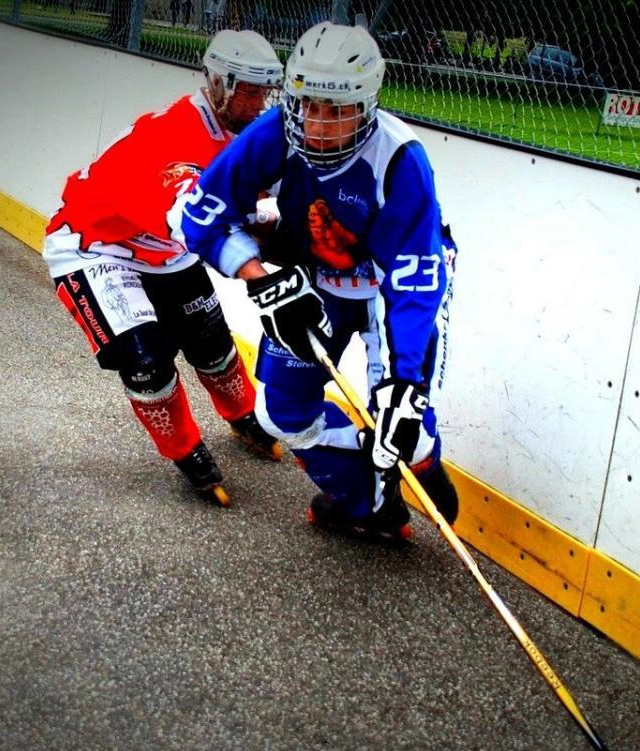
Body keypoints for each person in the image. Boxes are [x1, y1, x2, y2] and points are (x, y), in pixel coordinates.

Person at [179, 22, 460, 538]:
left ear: (367, 106)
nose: (318, 124)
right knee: (281, 416)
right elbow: (197, 214)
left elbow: (414, 282)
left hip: (387, 286)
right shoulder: (274, 135)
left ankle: (420, 459)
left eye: (338, 111)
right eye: (308, 104)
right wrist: (262, 281)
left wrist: (405, 383)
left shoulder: (401, 160)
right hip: (315, 282)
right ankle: (368, 503)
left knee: (404, 421)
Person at [43, 30, 284, 500]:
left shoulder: (250, 131)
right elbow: (194, 222)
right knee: (146, 361)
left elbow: (274, 195)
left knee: (213, 347)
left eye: (264, 92)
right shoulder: (174, 135)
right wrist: (263, 263)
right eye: (249, 91)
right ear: (218, 84)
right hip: (97, 247)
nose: (259, 103)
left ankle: (243, 415)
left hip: (165, 250)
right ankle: (185, 448)